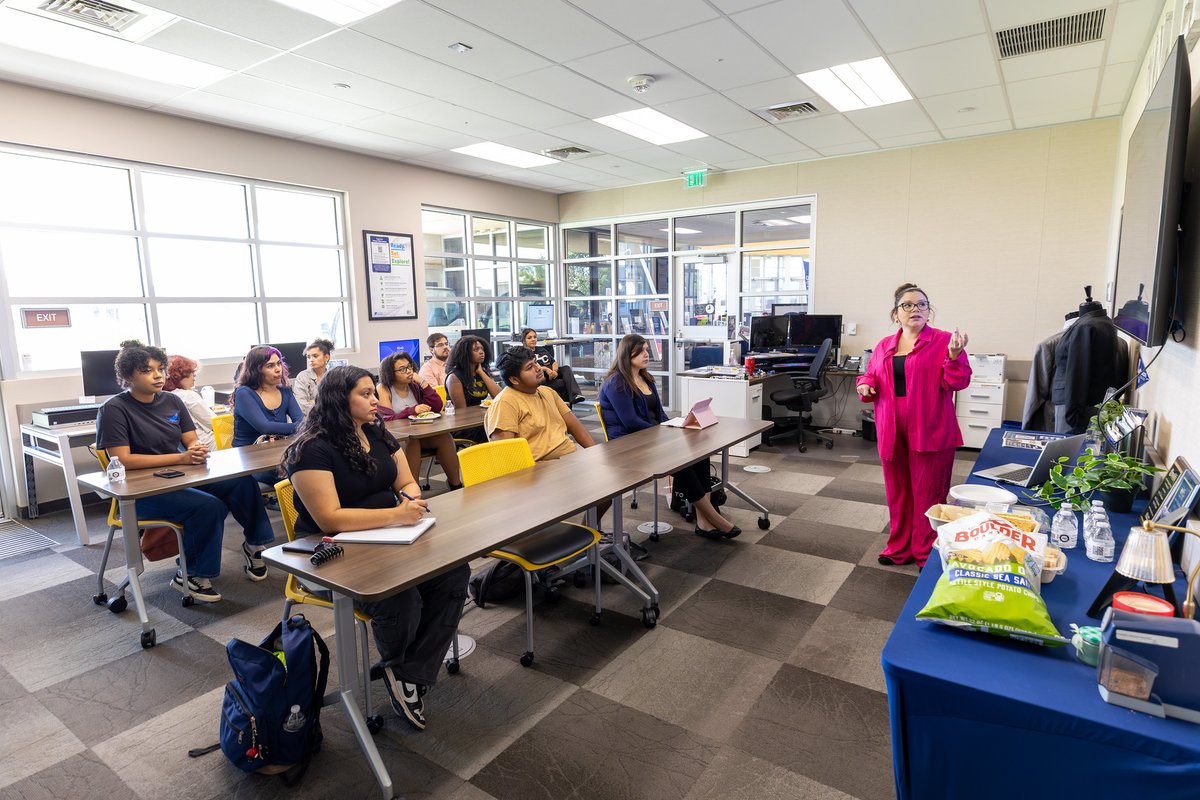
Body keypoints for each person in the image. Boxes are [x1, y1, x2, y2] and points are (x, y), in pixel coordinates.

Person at [281, 365, 468, 732]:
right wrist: (396, 516)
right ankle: (404, 668)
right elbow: (330, 519)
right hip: (330, 552)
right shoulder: (311, 449)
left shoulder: (376, 432)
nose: (375, 399)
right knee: (400, 597)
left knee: (454, 573)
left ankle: (406, 671)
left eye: (373, 392)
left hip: (390, 535)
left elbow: (408, 482)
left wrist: (412, 501)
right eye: (365, 394)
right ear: (339, 400)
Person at [96, 341, 275, 602]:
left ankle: (255, 546)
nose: (158, 376)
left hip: (180, 477)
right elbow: (122, 459)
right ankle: (190, 574)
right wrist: (181, 456)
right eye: (147, 370)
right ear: (127, 375)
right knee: (208, 507)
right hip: (140, 492)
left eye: (160, 369)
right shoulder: (114, 409)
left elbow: (190, 438)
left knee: (242, 483)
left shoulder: (172, 401)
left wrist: (196, 448)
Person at [856, 283, 972, 567]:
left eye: (922, 304)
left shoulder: (946, 341)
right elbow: (869, 375)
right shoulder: (885, 344)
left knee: (928, 492)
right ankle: (898, 547)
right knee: (898, 491)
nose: (915, 309)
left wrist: (955, 357)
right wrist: (865, 385)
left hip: (930, 426)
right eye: (907, 305)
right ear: (896, 313)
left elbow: (957, 382)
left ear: (928, 311)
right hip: (891, 426)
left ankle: (925, 552)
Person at [599, 334, 740, 540]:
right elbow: (631, 422)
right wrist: (663, 434)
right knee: (680, 462)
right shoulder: (616, 383)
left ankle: (703, 521)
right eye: (641, 351)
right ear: (627, 354)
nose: (647, 354)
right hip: (628, 445)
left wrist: (673, 427)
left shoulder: (645, 378)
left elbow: (661, 414)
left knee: (699, 450)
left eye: (647, 349)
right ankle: (712, 517)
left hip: (652, 438)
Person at [485, 346, 597, 460]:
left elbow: (576, 428)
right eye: (529, 367)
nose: (538, 368)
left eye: (536, 363)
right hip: (538, 471)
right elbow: (506, 457)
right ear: (514, 380)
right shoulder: (505, 403)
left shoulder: (547, 392)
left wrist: (595, 455)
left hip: (569, 461)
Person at [376, 351, 462, 489]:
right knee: (413, 440)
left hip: (420, 432)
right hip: (398, 438)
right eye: (402, 369)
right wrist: (412, 410)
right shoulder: (383, 389)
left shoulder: (414, 385)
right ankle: (412, 491)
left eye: (409, 367)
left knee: (445, 437)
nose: (409, 371)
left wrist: (423, 383)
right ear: (391, 373)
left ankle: (455, 484)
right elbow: (387, 420)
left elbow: (437, 406)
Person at [233, 345, 304, 486]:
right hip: (250, 459)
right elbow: (265, 427)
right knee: (301, 474)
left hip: (278, 453)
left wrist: (299, 426)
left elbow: (301, 422)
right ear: (256, 370)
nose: (278, 369)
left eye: (279, 363)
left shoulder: (285, 390)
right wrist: (297, 427)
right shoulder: (244, 393)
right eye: (270, 366)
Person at [444, 334, 500, 443]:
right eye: (476, 349)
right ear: (465, 354)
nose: (481, 352)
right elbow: (462, 411)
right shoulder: (454, 377)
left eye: (482, 349)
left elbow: (500, 397)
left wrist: (481, 372)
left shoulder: (481, 372)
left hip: (479, 420)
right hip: (461, 425)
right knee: (493, 429)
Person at [520, 327, 584, 405]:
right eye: (529, 338)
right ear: (524, 340)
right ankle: (566, 406)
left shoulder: (541, 349)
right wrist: (546, 369)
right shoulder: (524, 353)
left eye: (535, 337)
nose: (533, 339)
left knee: (566, 368)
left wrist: (554, 371)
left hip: (552, 374)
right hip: (541, 378)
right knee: (563, 383)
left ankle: (575, 395)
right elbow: (531, 367)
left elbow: (554, 362)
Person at [163, 354, 215, 450]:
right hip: (206, 444)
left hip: (185, 446)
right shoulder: (188, 395)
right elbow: (213, 422)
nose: (194, 378)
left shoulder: (164, 396)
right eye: (191, 374)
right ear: (178, 376)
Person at [292, 337, 334, 415]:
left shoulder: (333, 377)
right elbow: (302, 406)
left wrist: (313, 402)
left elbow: (337, 403)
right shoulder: (302, 377)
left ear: (327, 357)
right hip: (310, 421)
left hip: (331, 421)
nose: (311, 360)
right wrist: (325, 404)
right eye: (308, 357)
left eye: (315, 356)